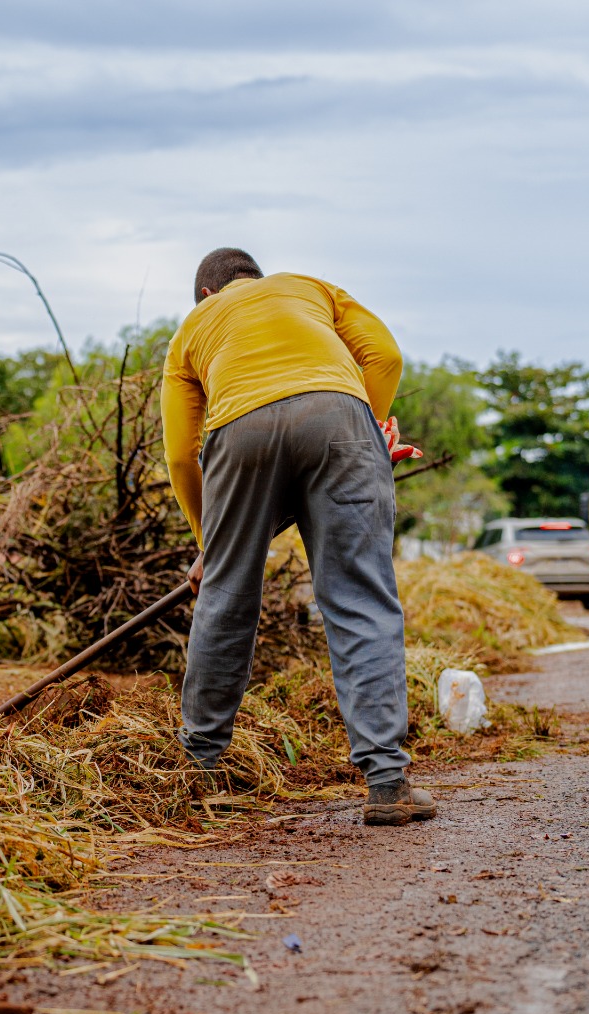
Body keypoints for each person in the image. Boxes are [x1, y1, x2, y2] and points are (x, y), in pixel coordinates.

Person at [161, 249, 434, 827]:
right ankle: (387, 783)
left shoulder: (193, 328)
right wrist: (366, 426)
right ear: (254, 281)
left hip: (239, 431)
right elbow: (384, 355)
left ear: (207, 296)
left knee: (226, 599)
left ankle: (200, 770)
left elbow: (183, 455)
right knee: (359, 597)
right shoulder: (310, 287)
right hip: (342, 417)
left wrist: (209, 546)